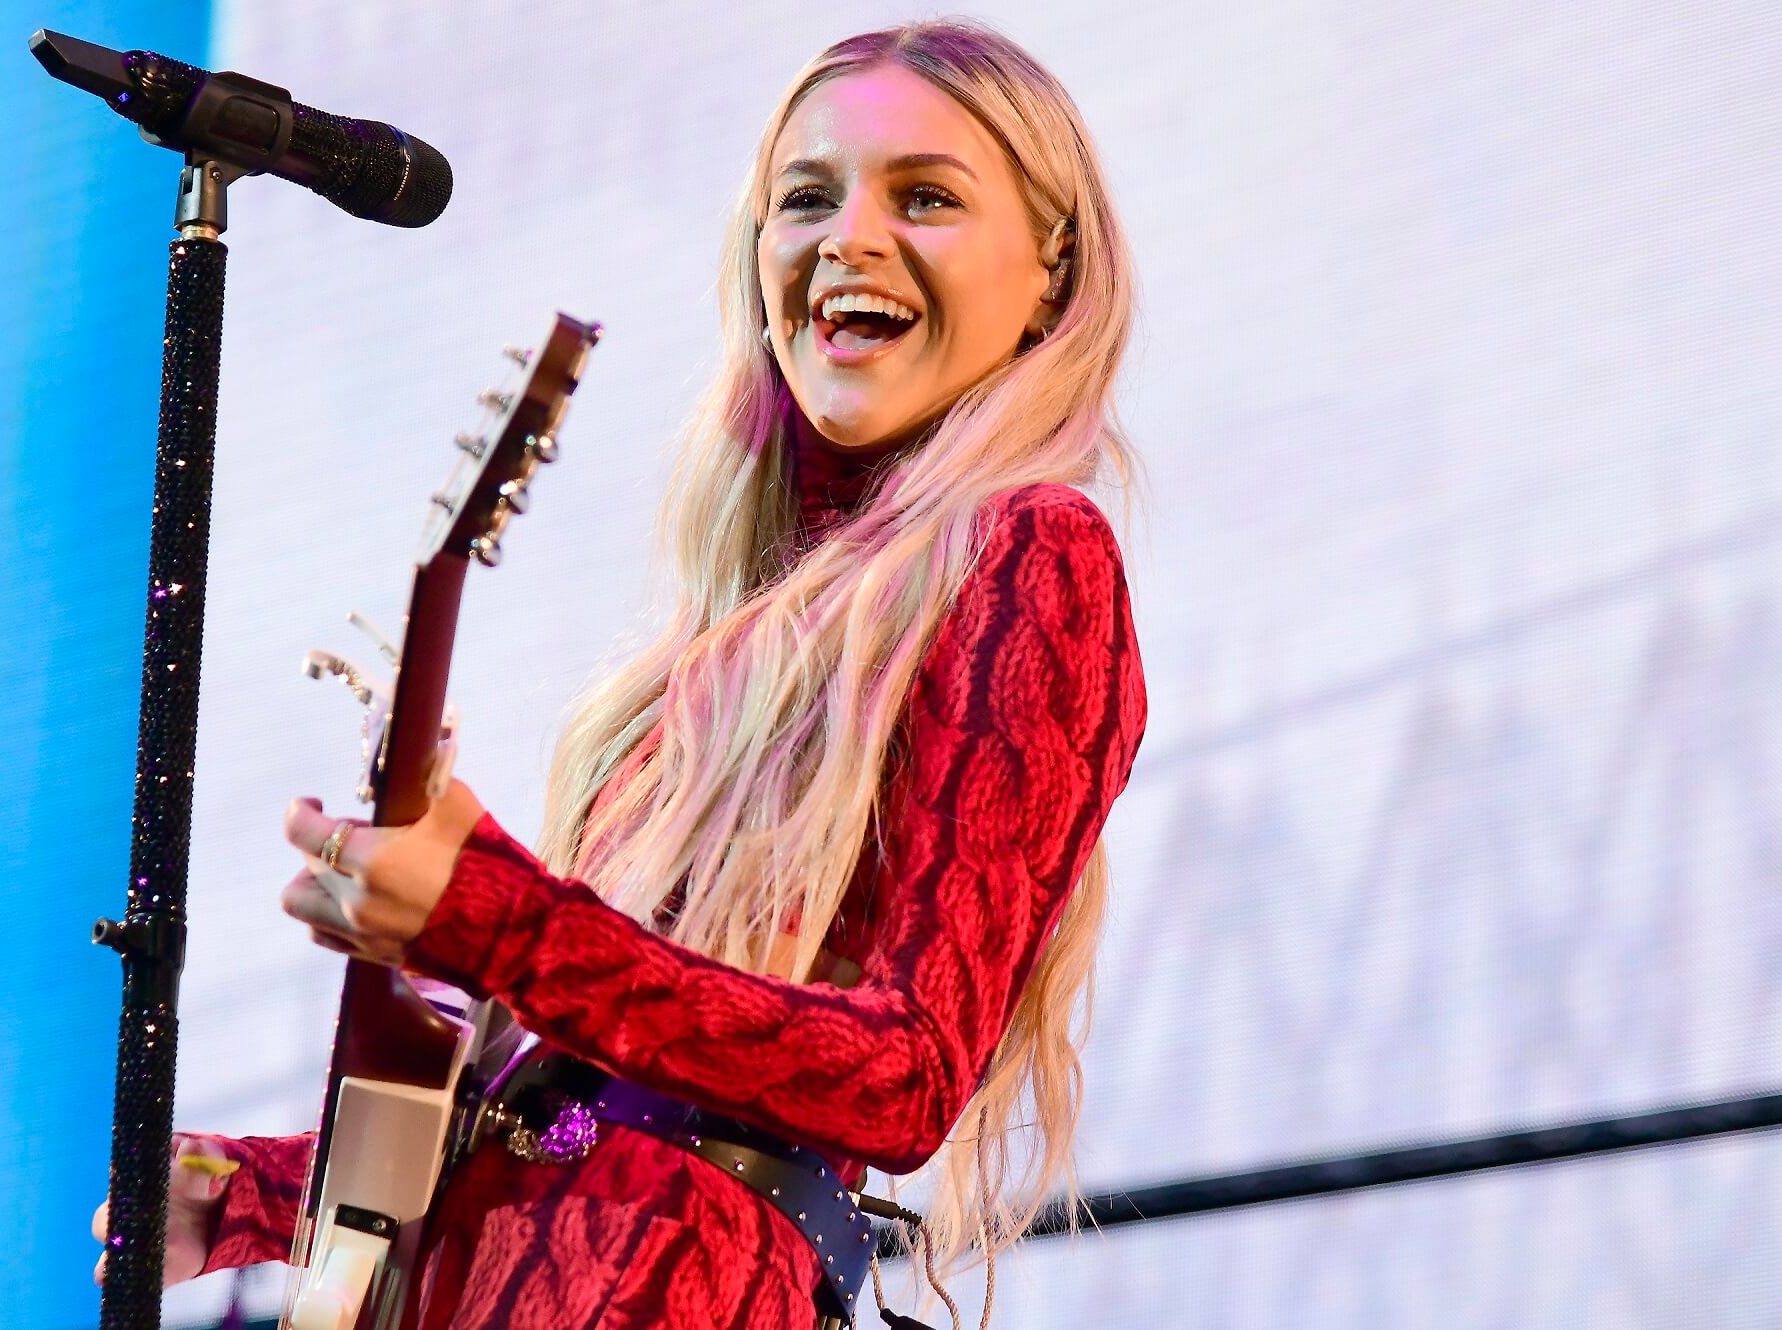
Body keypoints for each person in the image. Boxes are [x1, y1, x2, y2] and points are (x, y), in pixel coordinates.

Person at [93, 19, 1148, 1330]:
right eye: (804, 199)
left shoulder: (1031, 550)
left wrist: (500, 915)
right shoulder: (700, 669)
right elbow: (582, 1104)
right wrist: (261, 1194)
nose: (848, 238)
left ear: (1051, 270)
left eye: (923, 196)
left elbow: (907, 1072)